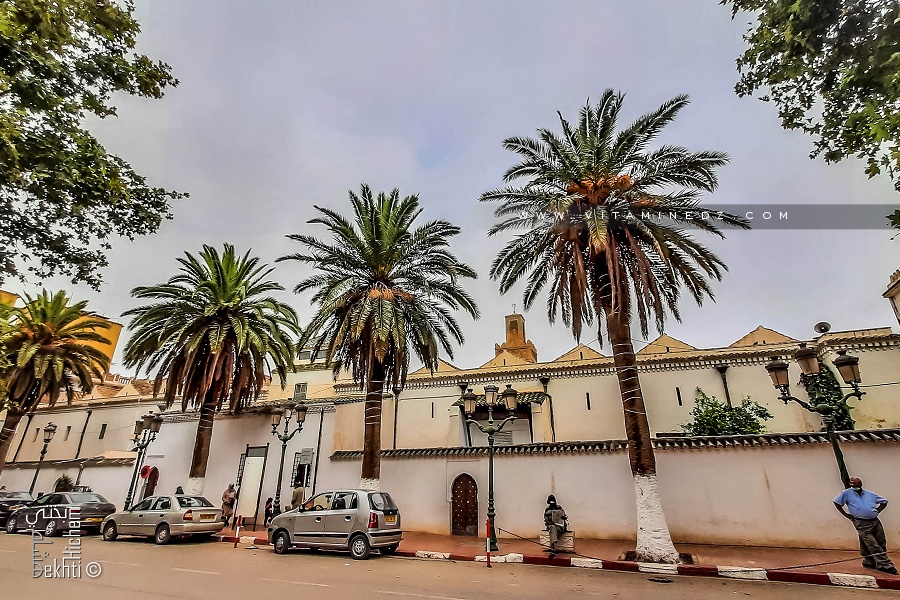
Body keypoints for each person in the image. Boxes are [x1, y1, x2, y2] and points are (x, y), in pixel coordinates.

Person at [834, 476, 898, 574]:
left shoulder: (869, 494)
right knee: (873, 544)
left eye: (855, 483)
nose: (853, 485)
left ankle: (869, 561)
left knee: (881, 541)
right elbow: (837, 502)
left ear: (860, 484)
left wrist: (877, 511)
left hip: (875, 520)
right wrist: (846, 515)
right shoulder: (846, 493)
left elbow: (884, 501)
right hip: (861, 522)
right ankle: (885, 565)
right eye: (851, 483)